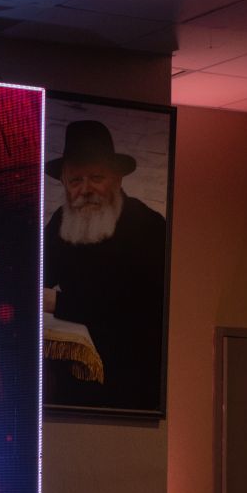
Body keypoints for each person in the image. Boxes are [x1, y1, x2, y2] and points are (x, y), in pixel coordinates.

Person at [43, 120, 167, 411]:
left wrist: (58, 302)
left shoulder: (149, 227)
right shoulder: (61, 221)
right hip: (73, 383)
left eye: (96, 177)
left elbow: (138, 307)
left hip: (132, 382)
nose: (85, 189)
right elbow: (38, 278)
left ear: (117, 179)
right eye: (75, 181)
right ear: (64, 184)